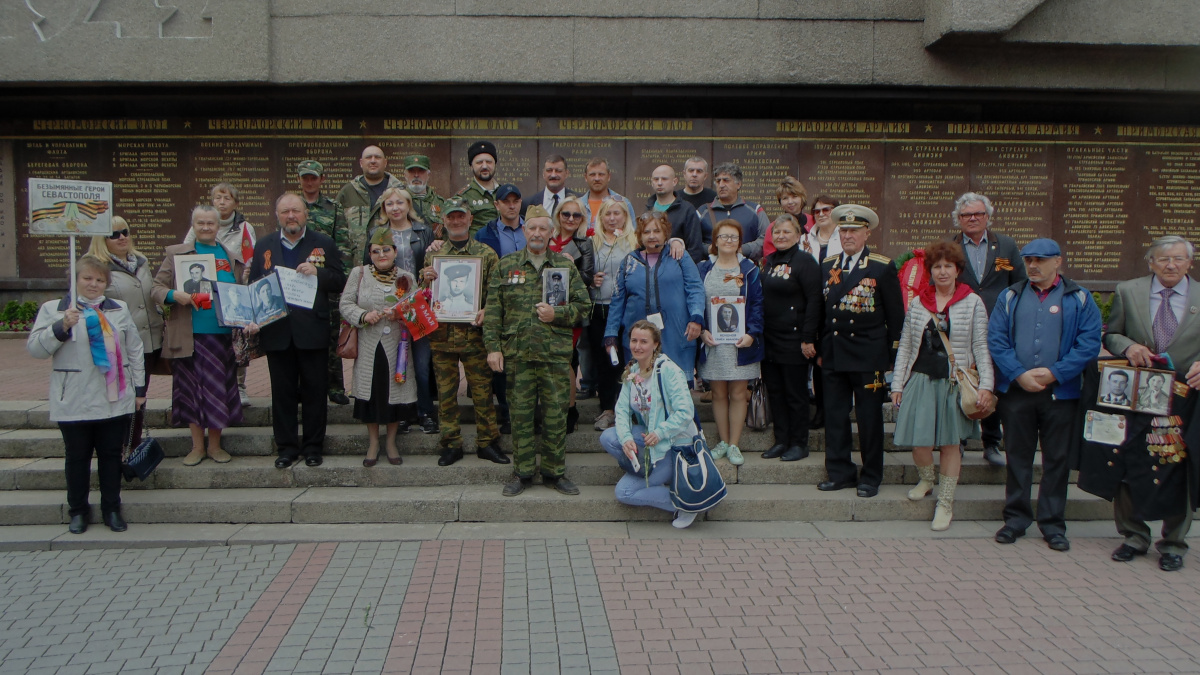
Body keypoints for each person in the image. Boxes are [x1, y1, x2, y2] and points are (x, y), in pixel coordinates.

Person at [988, 238, 1102, 552]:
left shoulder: (1079, 298)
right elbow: (996, 340)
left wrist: (1056, 373)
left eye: (1040, 260)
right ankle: (1015, 520)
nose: (1034, 266)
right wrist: (1018, 374)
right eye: (1028, 260)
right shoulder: (1010, 296)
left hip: (1061, 395)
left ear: (1057, 262)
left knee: (1057, 460)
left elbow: (1089, 343)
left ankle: (1052, 524)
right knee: (1018, 458)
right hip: (1018, 392)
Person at [1101, 235, 1200, 571]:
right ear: (1151, 263)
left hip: (1186, 395)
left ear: (1190, 262)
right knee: (1129, 462)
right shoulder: (1129, 291)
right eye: (1163, 259)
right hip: (1138, 393)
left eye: (1178, 259)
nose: (1171, 265)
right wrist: (1128, 347)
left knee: (1178, 466)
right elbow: (1112, 334)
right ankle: (1133, 536)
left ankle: (1173, 543)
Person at [28, 255, 146, 534]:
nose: (94, 284)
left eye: (100, 279)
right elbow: (35, 349)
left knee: (110, 455)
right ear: (75, 279)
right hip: (74, 398)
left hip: (113, 397)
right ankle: (78, 510)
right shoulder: (55, 310)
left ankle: (111, 508)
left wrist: (139, 389)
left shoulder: (119, 309)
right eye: (87, 278)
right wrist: (61, 327)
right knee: (77, 456)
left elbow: (134, 349)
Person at [484, 205, 591, 496]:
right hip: (518, 355)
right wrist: (493, 349)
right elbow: (493, 312)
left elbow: (585, 306)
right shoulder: (506, 266)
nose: (537, 233)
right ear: (523, 230)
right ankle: (522, 473)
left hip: (554, 355)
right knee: (520, 417)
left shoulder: (564, 266)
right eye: (532, 228)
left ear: (551, 232)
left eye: (543, 228)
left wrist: (557, 314)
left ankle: (555, 473)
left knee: (556, 416)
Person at [891, 242, 994, 531]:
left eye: (948, 266)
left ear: (958, 270)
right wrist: (897, 383)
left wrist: (986, 385)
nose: (943, 271)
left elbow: (981, 347)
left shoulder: (972, 302)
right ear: (930, 271)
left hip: (953, 382)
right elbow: (907, 347)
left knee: (950, 445)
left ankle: (945, 502)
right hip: (921, 379)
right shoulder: (917, 303)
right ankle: (926, 479)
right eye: (937, 266)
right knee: (919, 441)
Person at [247, 193, 347, 469]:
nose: (291, 216)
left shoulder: (323, 243)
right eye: (285, 211)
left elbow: (340, 280)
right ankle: (287, 448)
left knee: (316, 391)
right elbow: (255, 284)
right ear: (277, 215)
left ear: (306, 214)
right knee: (282, 393)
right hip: (277, 330)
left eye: (296, 210)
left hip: (311, 329)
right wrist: (254, 317)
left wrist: (319, 275)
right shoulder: (264, 245)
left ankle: (314, 446)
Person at [818, 204, 904, 498]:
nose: (848, 235)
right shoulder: (828, 264)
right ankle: (840, 472)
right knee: (835, 416)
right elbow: (821, 310)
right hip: (833, 353)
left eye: (854, 230)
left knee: (869, 419)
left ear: (867, 233)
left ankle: (871, 476)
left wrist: (892, 356)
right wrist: (816, 343)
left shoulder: (881, 266)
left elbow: (895, 316)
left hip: (868, 355)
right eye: (843, 230)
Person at [153, 205, 244, 466]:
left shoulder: (231, 256)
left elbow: (239, 291)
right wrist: (174, 295)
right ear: (193, 225)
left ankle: (215, 446)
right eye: (201, 223)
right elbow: (156, 288)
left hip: (222, 335)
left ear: (218, 226)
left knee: (219, 391)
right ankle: (196, 447)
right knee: (191, 391)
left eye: (210, 223)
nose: (206, 227)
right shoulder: (176, 254)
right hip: (190, 335)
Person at [418, 197, 507, 466]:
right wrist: (425, 280)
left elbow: (495, 293)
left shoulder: (486, 253)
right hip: (442, 336)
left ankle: (487, 443)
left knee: (482, 392)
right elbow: (424, 296)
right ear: (443, 221)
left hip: (475, 335)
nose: (456, 221)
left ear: (469, 218)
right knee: (446, 394)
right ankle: (450, 443)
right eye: (450, 217)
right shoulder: (433, 254)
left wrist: (486, 311)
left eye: (461, 216)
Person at [600, 320, 704, 529]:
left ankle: (684, 503)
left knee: (625, 492)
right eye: (634, 340)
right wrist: (627, 439)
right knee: (609, 437)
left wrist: (660, 432)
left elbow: (686, 412)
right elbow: (621, 410)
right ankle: (640, 468)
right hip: (650, 437)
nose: (637, 346)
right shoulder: (633, 369)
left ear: (655, 344)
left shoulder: (668, 371)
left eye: (644, 342)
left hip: (674, 445)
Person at [950, 192, 1027, 467]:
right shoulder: (950, 247)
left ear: (987, 217)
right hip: (960, 324)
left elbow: (1020, 283)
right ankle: (957, 440)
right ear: (958, 220)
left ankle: (991, 442)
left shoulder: (1005, 245)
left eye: (978, 214)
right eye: (966, 215)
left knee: (989, 382)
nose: (972, 218)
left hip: (997, 326)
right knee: (959, 384)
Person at [340, 228, 417, 467]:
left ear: (395, 252)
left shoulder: (406, 277)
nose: (381, 254)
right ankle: (373, 441)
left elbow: (416, 311)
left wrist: (400, 314)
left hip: (396, 345)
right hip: (368, 343)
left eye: (386, 250)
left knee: (394, 392)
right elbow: (345, 304)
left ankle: (391, 441)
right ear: (370, 254)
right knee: (371, 393)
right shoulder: (359, 273)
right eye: (376, 251)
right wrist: (363, 316)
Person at [365, 187, 438, 433]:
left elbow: (432, 263)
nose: (395, 207)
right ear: (384, 208)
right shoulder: (377, 233)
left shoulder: (423, 231)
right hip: (390, 308)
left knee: (421, 363)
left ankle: (426, 411)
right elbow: (369, 267)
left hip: (418, 304)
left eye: (399, 202)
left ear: (408, 205)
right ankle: (404, 412)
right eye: (389, 204)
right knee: (400, 362)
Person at [604, 211, 705, 378]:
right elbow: (617, 300)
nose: (652, 236)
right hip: (638, 335)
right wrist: (611, 334)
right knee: (641, 384)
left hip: (675, 332)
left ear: (665, 233)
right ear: (640, 236)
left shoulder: (678, 256)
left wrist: (696, 317)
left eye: (657, 231)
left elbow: (695, 288)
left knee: (675, 385)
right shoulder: (629, 262)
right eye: (647, 232)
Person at [697, 220, 764, 466]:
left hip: (740, 343)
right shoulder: (703, 268)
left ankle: (734, 444)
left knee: (737, 393)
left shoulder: (749, 269)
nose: (728, 241)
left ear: (740, 242)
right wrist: (702, 330)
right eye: (723, 236)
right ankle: (722, 441)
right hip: (713, 342)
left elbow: (757, 304)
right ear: (714, 240)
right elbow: (695, 301)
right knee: (717, 393)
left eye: (734, 237)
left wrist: (752, 334)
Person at [759, 214, 821, 461]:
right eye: (777, 232)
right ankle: (781, 440)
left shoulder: (805, 262)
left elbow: (815, 300)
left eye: (786, 232)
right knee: (775, 391)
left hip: (795, 341)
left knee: (795, 394)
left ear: (798, 235)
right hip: (770, 339)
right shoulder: (769, 261)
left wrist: (808, 338)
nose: (781, 236)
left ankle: (799, 443)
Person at [297, 159, 352, 405]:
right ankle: (302, 387)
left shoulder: (333, 207)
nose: (309, 182)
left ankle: (335, 387)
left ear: (321, 179)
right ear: (299, 180)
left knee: (331, 334)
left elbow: (342, 245)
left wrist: (343, 281)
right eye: (305, 177)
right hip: (297, 282)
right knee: (300, 336)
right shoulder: (292, 207)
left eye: (314, 177)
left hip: (325, 281)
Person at [474, 183, 526, 435]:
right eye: (506, 201)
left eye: (516, 200)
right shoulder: (484, 234)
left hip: (530, 307)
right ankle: (506, 413)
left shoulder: (534, 229)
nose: (512, 205)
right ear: (497, 205)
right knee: (502, 365)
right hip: (501, 306)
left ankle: (529, 412)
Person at [87, 215, 164, 383]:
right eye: (114, 235)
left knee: (140, 393)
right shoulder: (94, 267)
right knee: (119, 392)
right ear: (102, 240)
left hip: (148, 340)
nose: (122, 238)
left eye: (125, 232)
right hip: (116, 342)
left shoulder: (142, 262)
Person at [589, 199, 640, 431]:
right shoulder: (593, 241)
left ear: (625, 216)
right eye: (607, 214)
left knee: (629, 360)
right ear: (601, 217)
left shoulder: (633, 241)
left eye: (617, 213)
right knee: (605, 361)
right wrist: (591, 280)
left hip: (627, 309)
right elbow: (581, 271)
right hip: (600, 307)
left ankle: (629, 409)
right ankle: (608, 408)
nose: (612, 218)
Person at [550, 196, 596, 432]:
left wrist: (571, 265)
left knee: (565, 359)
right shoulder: (547, 238)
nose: (570, 219)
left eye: (576, 215)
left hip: (571, 310)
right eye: (565, 214)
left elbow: (588, 277)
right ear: (558, 215)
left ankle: (570, 409)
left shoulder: (585, 243)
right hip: (547, 309)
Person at [801, 195, 843, 431]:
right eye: (816, 211)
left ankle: (836, 407)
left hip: (836, 304)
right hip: (812, 304)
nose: (821, 214)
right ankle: (821, 409)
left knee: (832, 356)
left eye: (826, 209)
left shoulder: (845, 235)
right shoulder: (805, 239)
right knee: (817, 358)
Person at [337, 145, 404, 266]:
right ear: (361, 163)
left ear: (385, 162)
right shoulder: (348, 192)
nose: (373, 161)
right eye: (368, 157)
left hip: (392, 269)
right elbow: (337, 233)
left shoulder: (400, 191)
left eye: (377, 157)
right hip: (356, 268)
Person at [696, 163, 770, 260]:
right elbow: (693, 241)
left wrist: (743, 249)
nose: (721, 185)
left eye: (726, 180)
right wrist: (710, 249)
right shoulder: (702, 212)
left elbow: (766, 237)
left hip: (746, 270)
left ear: (738, 184)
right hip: (712, 270)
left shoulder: (755, 210)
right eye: (718, 181)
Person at [645, 164, 705, 263]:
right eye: (656, 179)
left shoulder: (687, 210)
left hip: (677, 269)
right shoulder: (648, 209)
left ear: (674, 182)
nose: (659, 183)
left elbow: (695, 248)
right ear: (652, 182)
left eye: (664, 179)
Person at [580, 157, 635, 235]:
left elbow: (633, 234)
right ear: (586, 177)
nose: (597, 178)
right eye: (592, 174)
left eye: (601, 174)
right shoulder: (578, 205)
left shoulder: (624, 203)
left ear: (609, 176)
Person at [762, 176, 813, 259]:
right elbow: (769, 258)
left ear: (802, 198)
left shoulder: (814, 222)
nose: (790, 202)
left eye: (794, 196)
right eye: (785, 198)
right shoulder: (773, 227)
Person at [457, 140, 500, 234]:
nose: (484, 166)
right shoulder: (463, 197)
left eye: (489, 162)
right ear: (471, 167)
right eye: (479, 162)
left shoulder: (504, 193)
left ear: (495, 164)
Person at [402, 154, 446, 230]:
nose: (416, 175)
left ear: (428, 175)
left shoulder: (440, 203)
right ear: (405, 175)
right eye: (412, 171)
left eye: (421, 171)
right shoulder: (398, 201)